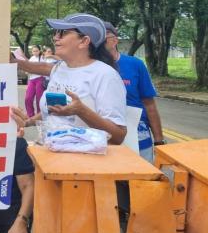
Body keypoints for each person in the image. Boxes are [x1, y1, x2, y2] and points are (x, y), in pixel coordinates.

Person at [23, 13, 127, 145]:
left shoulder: (105, 75)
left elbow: (118, 135)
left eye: (63, 33)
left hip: (83, 161)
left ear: (84, 41)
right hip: (50, 153)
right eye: (55, 33)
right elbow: (53, 110)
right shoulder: (59, 68)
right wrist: (27, 122)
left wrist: (81, 111)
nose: (55, 38)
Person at [104, 22, 165, 161]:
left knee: (141, 180)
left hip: (138, 136)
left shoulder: (135, 64)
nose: (99, 42)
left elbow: (149, 104)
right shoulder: (91, 67)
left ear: (115, 40)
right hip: (104, 139)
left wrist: (159, 140)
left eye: (104, 37)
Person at [24, 45, 45, 117]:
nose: (35, 52)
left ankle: (39, 115)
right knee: (28, 98)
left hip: (39, 79)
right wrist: (27, 71)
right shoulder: (31, 59)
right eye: (33, 51)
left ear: (39, 51)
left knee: (39, 99)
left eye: (36, 51)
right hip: (31, 80)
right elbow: (27, 71)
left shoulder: (42, 58)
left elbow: (43, 69)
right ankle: (30, 115)